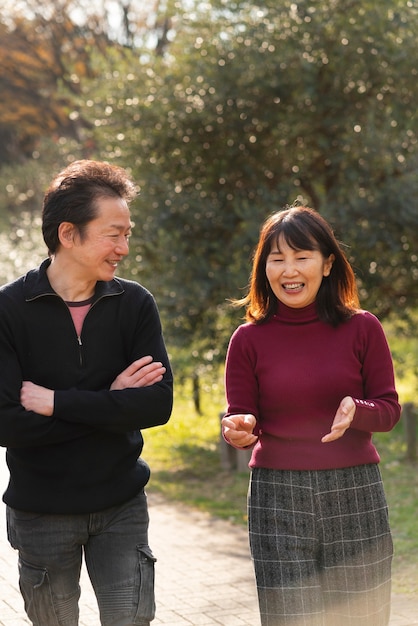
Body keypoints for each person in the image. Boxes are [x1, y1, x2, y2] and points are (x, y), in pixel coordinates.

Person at [0, 159, 173, 626]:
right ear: (68, 234)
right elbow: (8, 422)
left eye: (128, 233)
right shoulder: (8, 310)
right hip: (42, 511)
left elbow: (157, 405)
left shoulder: (135, 304)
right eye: (113, 234)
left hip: (121, 506)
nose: (124, 248)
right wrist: (113, 399)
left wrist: (56, 402)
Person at [222, 205, 401, 626]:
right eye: (277, 258)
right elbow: (241, 416)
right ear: (263, 267)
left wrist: (357, 409)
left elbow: (389, 409)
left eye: (301, 256)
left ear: (327, 264)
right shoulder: (247, 339)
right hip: (276, 498)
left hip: (355, 493)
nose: (289, 269)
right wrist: (240, 429)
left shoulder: (363, 328)